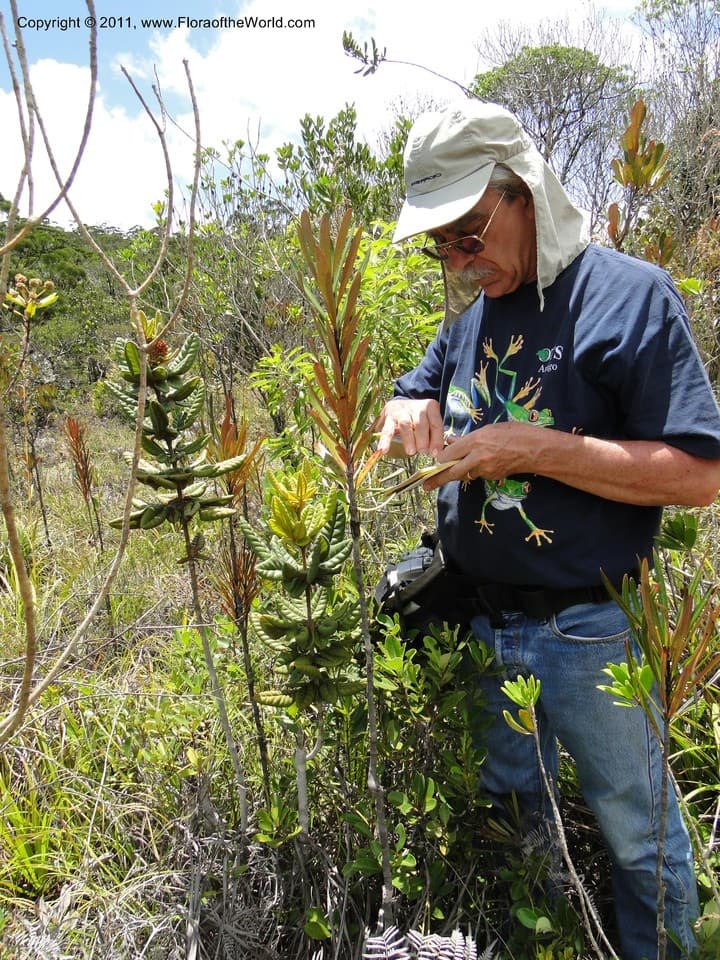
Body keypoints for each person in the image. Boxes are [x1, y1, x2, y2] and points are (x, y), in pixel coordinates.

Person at [376, 100, 720, 960]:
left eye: (470, 232)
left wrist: (534, 449)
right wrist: (402, 405)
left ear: (523, 191)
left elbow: (699, 475)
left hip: (587, 629)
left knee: (639, 838)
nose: (459, 261)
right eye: (441, 245)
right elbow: (412, 390)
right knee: (515, 821)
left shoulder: (627, 298)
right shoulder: (469, 319)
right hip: (478, 623)